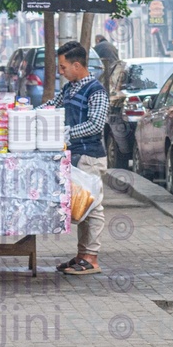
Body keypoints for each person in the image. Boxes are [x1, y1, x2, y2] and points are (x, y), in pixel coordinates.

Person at [45, 41, 110, 276]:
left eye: (63, 67)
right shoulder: (70, 88)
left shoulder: (96, 91)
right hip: (75, 155)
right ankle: (82, 254)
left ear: (76, 65)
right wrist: (31, 113)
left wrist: (68, 132)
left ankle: (92, 257)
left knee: (92, 207)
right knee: (80, 207)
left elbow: (95, 124)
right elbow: (53, 105)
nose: (60, 72)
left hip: (90, 156)